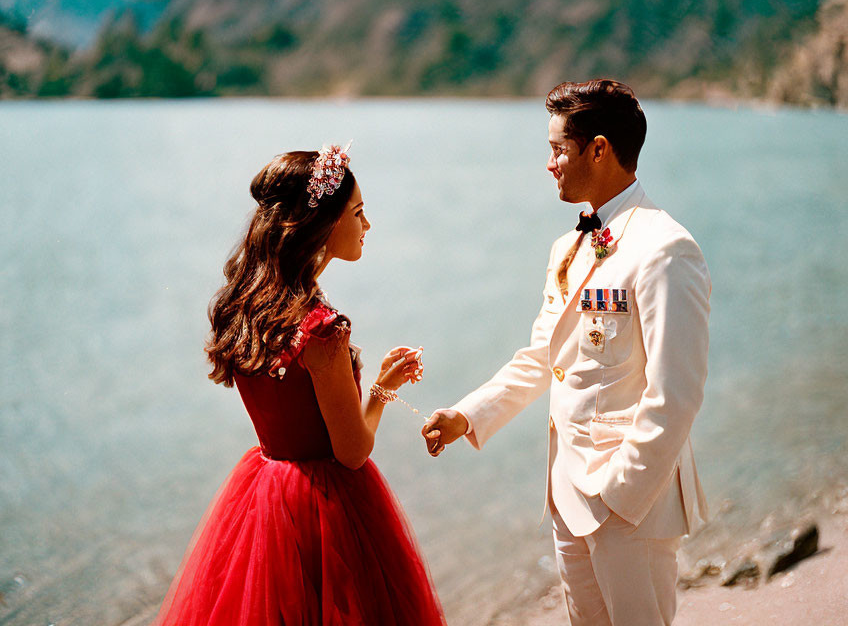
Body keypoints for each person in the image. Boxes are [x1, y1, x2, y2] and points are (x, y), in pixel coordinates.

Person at [422, 80, 711, 626]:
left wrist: (621, 494)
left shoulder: (665, 248)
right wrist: (468, 415)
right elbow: (542, 358)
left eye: (558, 149)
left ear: (598, 149)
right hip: (567, 495)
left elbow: (677, 392)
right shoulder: (569, 245)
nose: (549, 164)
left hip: (628, 503)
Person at [153, 145, 446, 626]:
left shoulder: (247, 306)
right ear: (325, 223)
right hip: (324, 510)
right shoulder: (322, 328)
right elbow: (351, 451)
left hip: (263, 496)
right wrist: (380, 392)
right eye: (358, 213)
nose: (367, 225)